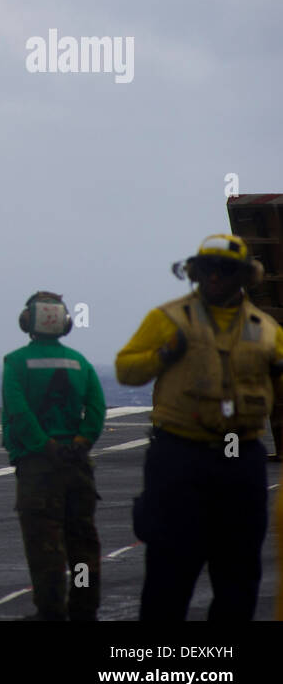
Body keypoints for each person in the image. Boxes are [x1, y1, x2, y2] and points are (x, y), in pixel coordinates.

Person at [116, 234, 283, 620]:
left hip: (240, 457)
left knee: (239, 572)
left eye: (224, 271)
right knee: (169, 568)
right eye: (206, 270)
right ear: (195, 272)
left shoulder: (267, 329)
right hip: (179, 457)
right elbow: (127, 369)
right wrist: (163, 354)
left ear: (241, 277)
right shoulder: (169, 319)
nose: (213, 278)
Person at [2, 291, 105, 621]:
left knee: (45, 549)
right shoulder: (80, 362)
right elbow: (97, 409)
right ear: (65, 324)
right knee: (83, 546)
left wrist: (46, 446)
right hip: (77, 466)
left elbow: (19, 413)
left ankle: (51, 612)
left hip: (39, 468)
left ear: (26, 322)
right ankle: (84, 610)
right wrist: (81, 442)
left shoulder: (16, 362)